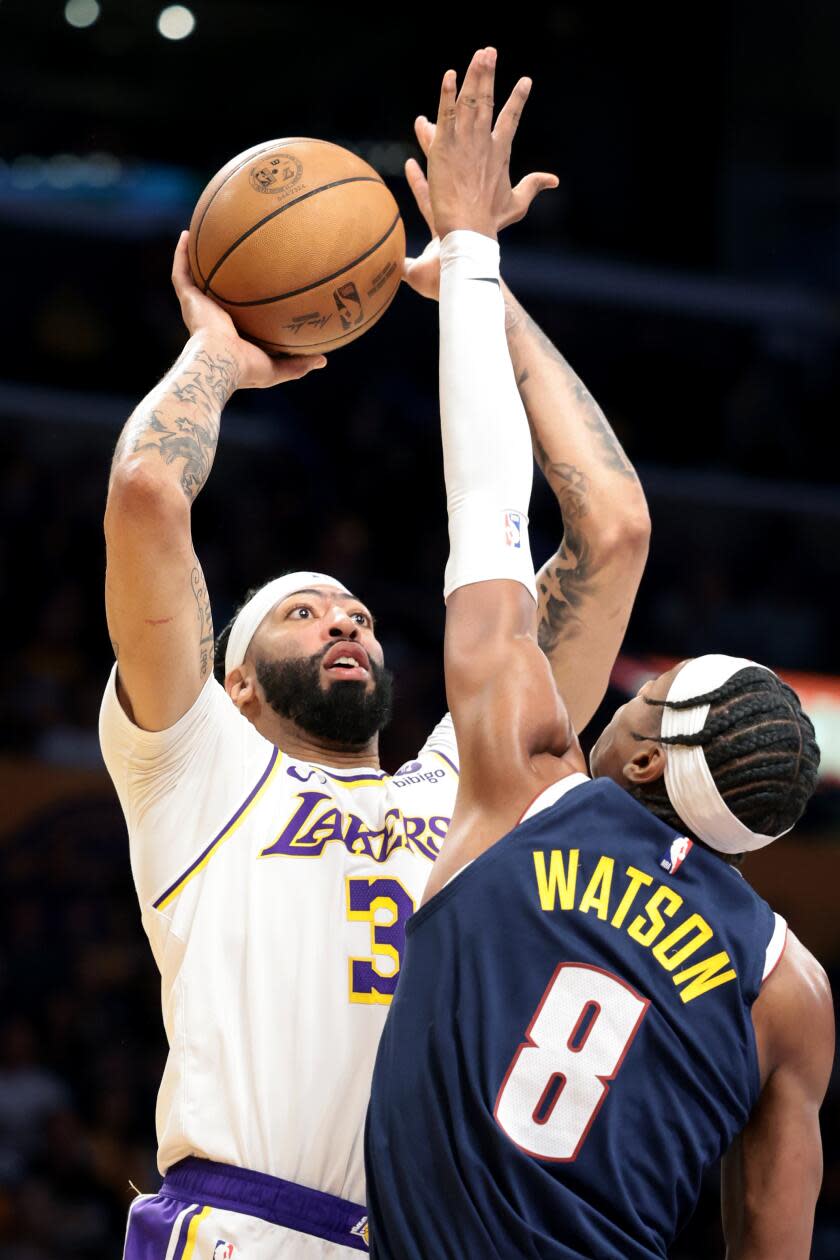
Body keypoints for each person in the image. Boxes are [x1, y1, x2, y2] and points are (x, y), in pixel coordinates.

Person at [98, 86, 650, 1260]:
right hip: (251, 1229)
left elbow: (610, 533)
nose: (347, 625)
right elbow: (149, 492)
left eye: (355, 612)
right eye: (303, 614)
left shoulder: (466, 780)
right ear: (234, 682)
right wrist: (216, 352)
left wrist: (478, 287)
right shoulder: (196, 768)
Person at [365, 49, 834, 1260]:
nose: (620, 691)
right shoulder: (791, 994)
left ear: (640, 759)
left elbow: (490, 514)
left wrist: (472, 256)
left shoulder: (526, 791)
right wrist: (477, 282)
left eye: (645, 694)